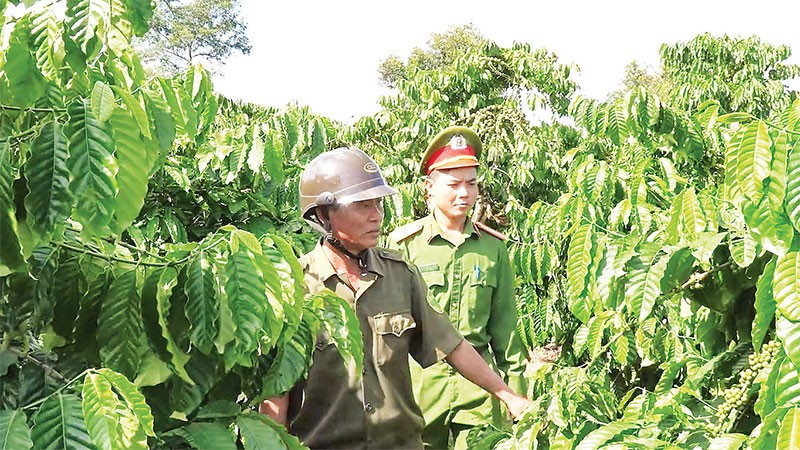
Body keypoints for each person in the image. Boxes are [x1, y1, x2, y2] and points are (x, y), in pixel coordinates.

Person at [260, 147, 531, 449]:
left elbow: (452, 345)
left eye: (378, 203)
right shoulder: (295, 285)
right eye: (362, 205)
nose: (376, 216)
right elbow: (277, 392)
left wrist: (508, 395)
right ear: (323, 214)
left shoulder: (401, 275)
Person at [389, 126, 528, 450]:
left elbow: (506, 332)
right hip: (421, 384)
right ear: (429, 189)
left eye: (471, 183)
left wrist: (517, 395)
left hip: (479, 388)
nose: (464, 193)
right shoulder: (404, 246)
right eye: (453, 184)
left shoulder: (493, 248)